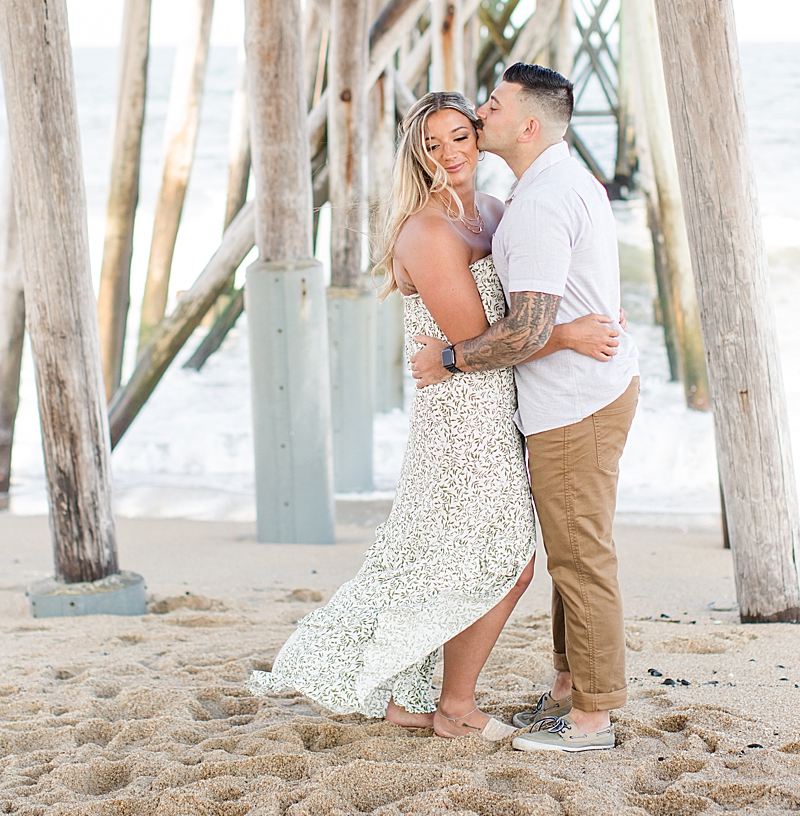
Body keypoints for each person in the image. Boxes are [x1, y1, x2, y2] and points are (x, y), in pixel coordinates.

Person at [249, 92, 620, 740]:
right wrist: (568, 335)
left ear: (480, 138)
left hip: (501, 401)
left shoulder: (497, 213)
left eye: (460, 137)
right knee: (505, 561)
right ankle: (455, 706)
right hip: (463, 416)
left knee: (443, 558)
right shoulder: (428, 229)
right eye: (433, 144)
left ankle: (412, 699)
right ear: (416, 155)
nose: (450, 154)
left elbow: (514, 320)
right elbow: (475, 336)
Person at [410, 63, 641, 754]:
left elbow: (527, 331)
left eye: (491, 105)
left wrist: (446, 359)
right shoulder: (557, 182)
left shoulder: (537, 203)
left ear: (527, 125)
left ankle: (592, 720)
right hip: (586, 390)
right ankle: (571, 689)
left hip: (574, 402)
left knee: (580, 561)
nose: (480, 117)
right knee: (574, 551)